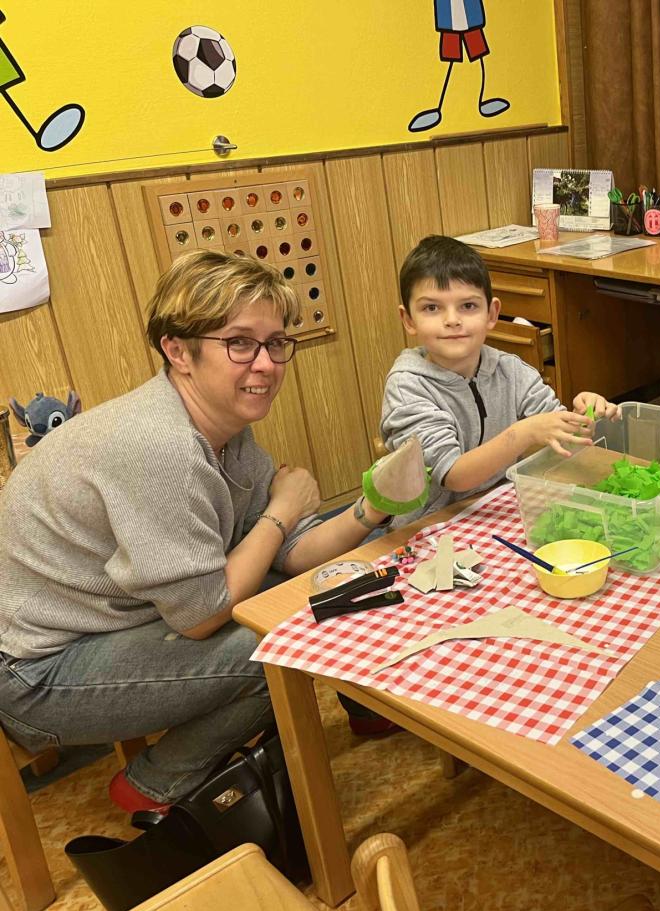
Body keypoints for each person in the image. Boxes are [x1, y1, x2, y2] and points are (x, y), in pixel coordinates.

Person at [0, 252, 407, 814]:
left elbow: (290, 555)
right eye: (239, 343)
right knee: (285, 645)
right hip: (34, 673)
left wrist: (371, 509)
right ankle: (156, 783)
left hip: (124, 618)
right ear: (177, 350)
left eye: (275, 343)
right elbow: (201, 617)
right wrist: (281, 511)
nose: (265, 364)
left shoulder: (225, 429)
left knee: (327, 586)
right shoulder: (160, 446)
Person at [381, 235, 617, 527]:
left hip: (497, 507)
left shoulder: (511, 370)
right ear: (408, 319)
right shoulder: (407, 387)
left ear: (492, 313)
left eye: (468, 306)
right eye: (432, 308)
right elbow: (453, 474)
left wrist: (584, 415)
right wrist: (524, 433)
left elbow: (564, 437)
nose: (452, 320)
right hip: (428, 527)